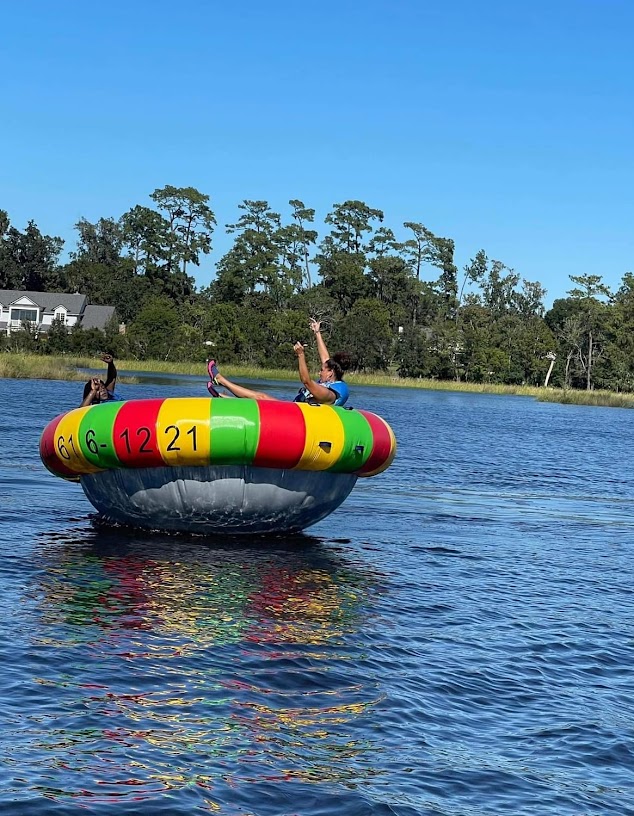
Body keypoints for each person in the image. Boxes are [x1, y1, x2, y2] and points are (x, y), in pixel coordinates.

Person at [206, 319, 351, 406]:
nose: (319, 372)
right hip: (295, 410)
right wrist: (317, 333)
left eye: (322, 370)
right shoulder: (331, 377)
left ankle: (221, 380)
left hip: (298, 418)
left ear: (331, 372)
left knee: (261, 397)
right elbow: (325, 358)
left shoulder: (330, 394)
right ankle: (223, 398)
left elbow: (306, 381)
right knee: (259, 400)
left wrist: (301, 355)